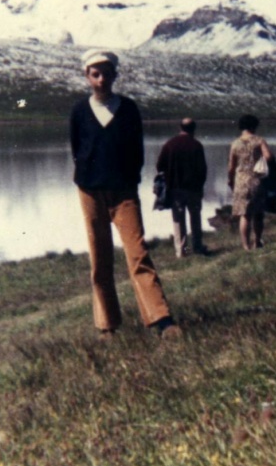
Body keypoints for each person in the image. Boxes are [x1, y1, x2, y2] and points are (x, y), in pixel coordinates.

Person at [69, 49, 180, 340]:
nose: (102, 79)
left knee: (138, 252)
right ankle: (107, 325)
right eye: (96, 73)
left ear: (115, 75)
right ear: (87, 76)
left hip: (123, 192)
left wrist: (128, 179)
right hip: (90, 191)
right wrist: (87, 178)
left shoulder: (128, 108)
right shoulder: (79, 111)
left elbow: (137, 151)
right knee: (100, 256)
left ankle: (162, 319)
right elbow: (76, 149)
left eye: (107, 73)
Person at [156, 118, 209, 258]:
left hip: (175, 189)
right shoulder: (197, 145)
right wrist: (200, 186)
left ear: (180, 128)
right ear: (193, 129)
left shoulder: (170, 144)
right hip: (193, 189)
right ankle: (197, 247)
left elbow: (159, 166)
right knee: (195, 218)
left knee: (178, 220)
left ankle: (181, 251)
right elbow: (203, 169)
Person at [227, 114, 274, 251]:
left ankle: (246, 246)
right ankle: (257, 241)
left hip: (241, 181)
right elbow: (269, 156)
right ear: (254, 125)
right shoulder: (259, 141)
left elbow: (231, 166)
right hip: (256, 180)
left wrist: (230, 181)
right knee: (258, 213)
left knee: (245, 215)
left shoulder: (235, 143)